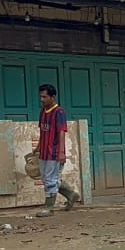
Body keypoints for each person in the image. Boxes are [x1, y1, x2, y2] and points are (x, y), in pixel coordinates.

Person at [35, 84, 81, 217]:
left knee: (50, 180)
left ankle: (49, 208)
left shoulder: (59, 112)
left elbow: (61, 132)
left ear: (52, 97)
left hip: (54, 152)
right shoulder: (43, 111)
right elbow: (42, 130)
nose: (42, 99)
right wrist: (38, 146)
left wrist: (61, 152)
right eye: (41, 96)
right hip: (44, 151)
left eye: (45, 97)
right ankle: (71, 194)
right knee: (46, 178)